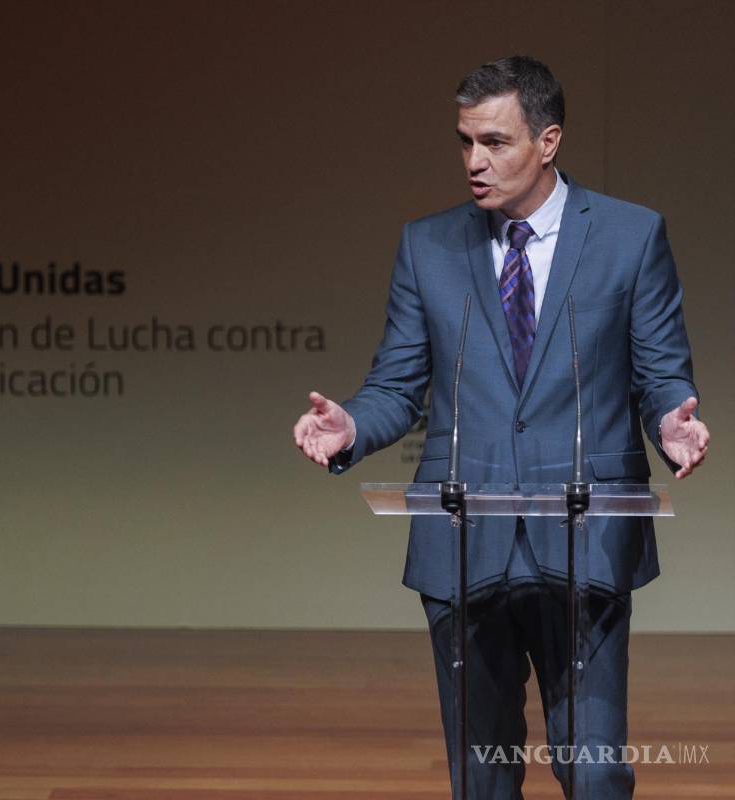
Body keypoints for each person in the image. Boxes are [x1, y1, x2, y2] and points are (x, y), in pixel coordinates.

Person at [292, 56, 709, 799]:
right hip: (464, 542)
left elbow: (659, 373)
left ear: (548, 142)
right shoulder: (429, 247)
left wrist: (672, 424)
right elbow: (397, 384)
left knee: (596, 773)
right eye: (465, 142)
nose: (475, 163)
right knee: (481, 778)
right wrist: (350, 427)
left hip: (586, 540)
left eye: (495, 142)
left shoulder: (629, 237)